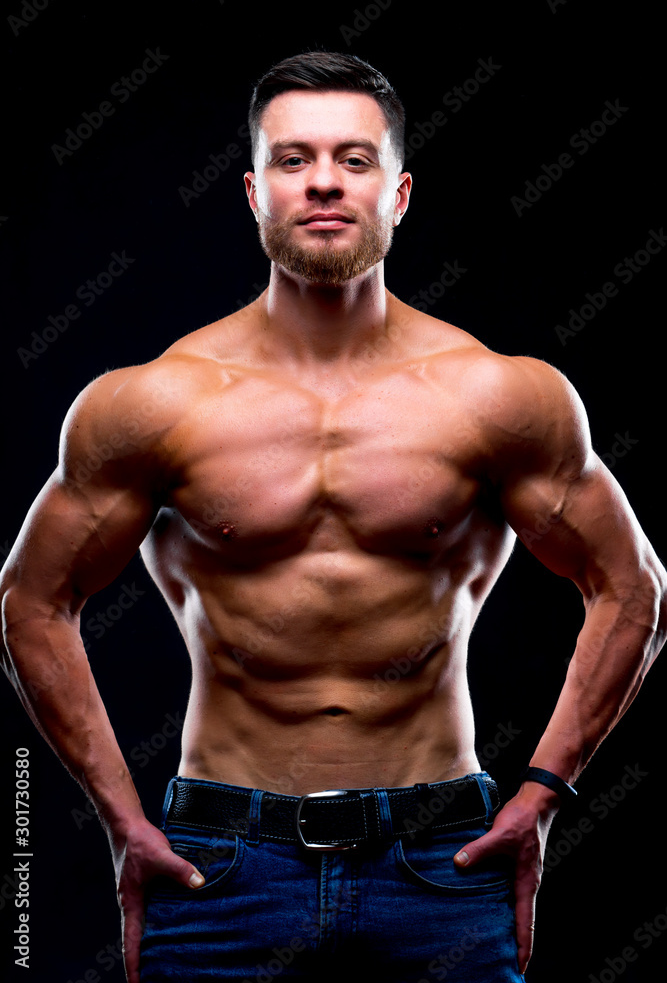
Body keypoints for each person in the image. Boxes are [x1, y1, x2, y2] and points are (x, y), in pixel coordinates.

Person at [1, 49, 665, 983]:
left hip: (440, 861)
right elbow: (32, 599)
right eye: (292, 158)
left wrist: (543, 794)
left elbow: (631, 587)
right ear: (252, 191)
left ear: (397, 194)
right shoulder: (153, 402)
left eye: (354, 160)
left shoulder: (496, 395)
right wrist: (121, 819)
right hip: (220, 865)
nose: (323, 182)